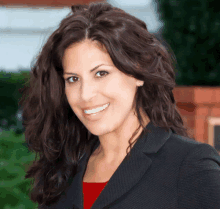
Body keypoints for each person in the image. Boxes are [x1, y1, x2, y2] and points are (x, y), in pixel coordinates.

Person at [19, 2, 220, 209]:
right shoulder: (63, 170)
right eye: (72, 79)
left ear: (138, 72)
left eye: (101, 73)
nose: (85, 95)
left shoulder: (188, 166)